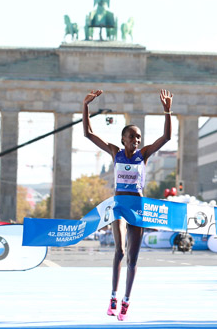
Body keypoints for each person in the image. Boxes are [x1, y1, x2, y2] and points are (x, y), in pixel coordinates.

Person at [83, 89, 173, 321]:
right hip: (119, 205)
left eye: (139, 137)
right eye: (132, 136)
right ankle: (113, 296)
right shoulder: (115, 152)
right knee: (120, 251)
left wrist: (167, 111)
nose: (137, 140)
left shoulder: (143, 155)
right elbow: (88, 134)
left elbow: (166, 139)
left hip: (138, 206)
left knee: (133, 258)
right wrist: (86, 106)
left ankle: (126, 301)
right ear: (123, 139)